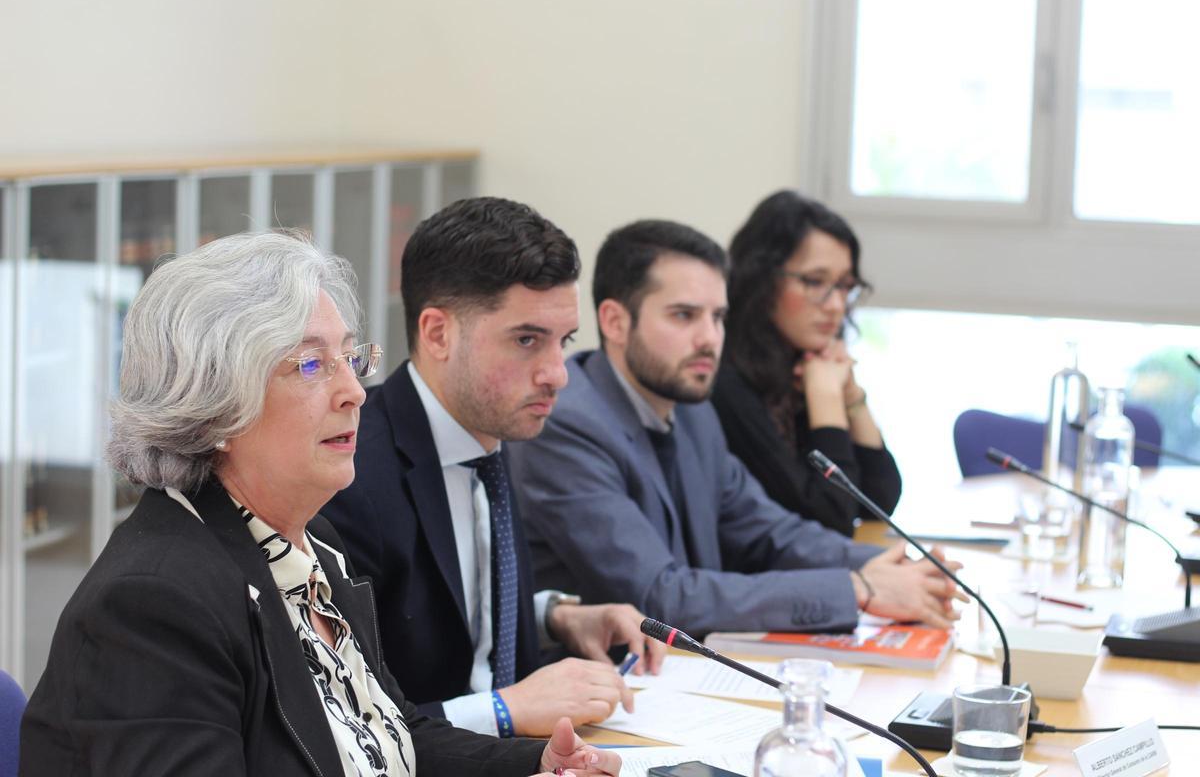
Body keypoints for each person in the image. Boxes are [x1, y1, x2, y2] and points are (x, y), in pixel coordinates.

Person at [19, 231, 619, 777]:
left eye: (351, 358)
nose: (354, 391)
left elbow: (386, 738)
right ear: (216, 402)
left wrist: (535, 767)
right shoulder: (154, 606)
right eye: (310, 364)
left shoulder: (311, 547)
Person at [507, 219, 961, 639]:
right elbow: (660, 597)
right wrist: (857, 588)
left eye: (718, 317)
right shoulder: (567, 425)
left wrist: (896, 566)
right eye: (684, 316)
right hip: (595, 695)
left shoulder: (691, 411)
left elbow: (768, 532)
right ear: (615, 321)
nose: (709, 338)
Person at [322, 197, 662, 739]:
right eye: (527, 340)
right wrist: (503, 710)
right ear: (437, 334)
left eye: (564, 342)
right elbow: (345, 727)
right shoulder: (350, 476)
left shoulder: (495, 433)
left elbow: (452, 605)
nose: (558, 374)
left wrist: (555, 616)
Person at [713, 190, 901, 537]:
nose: (835, 306)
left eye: (844, 286)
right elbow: (830, 517)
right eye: (815, 282)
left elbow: (879, 500)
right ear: (762, 280)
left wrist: (852, 396)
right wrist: (826, 398)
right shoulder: (725, 381)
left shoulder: (801, 363)